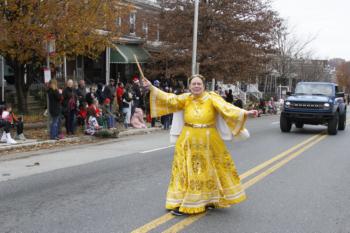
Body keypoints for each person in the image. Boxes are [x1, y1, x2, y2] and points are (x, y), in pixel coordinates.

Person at [143, 74, 258, 216]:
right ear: (189, 86)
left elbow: (227, 108)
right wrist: (151, 87)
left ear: (204, 86)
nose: (196, 86)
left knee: (208, 170)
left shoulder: (212, 97)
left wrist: (246, 112)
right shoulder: (185, 98)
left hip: (209, 140)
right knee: (187, 171)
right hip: (187, 140)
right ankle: (185, 201)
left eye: (199, 84)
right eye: (193, 84)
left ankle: (204, 201)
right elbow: (168, 99)